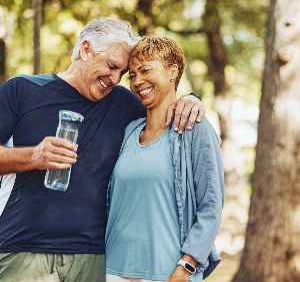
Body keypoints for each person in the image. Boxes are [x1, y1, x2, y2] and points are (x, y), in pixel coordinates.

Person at [0, 18, 205, 282]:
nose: (115, 79)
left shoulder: (123, 103)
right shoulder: (23, 90)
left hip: (93, 259)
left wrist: (191, 98)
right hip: (22, 249)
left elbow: (164, 103)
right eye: (111, 66)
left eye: (122, 73)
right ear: (86, 50)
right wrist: (33, 156)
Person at [105, 36, 224, 282]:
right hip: (115, 269)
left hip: (168, 273)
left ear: (173, 71)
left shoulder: (194, 129)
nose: (138, 82)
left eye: (145, 70)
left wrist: (186, 267)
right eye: (133, 75)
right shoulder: (128, 131)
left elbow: (210, 206)